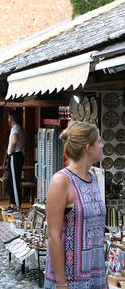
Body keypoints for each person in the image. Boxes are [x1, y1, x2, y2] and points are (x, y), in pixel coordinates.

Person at [44, 121, 106, 289]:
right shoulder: (61, 181)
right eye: (99, 141)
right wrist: (61, 282)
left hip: (95, 276)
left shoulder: (93, 178)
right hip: (70, 281)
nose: (102, 145)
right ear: (88, 147)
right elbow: (53, 235)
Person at [5, 109, 25, 212]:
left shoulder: (16, 128)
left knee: (14, 180)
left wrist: (9, 151)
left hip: (15, 155)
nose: (8, 119)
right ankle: (12, 204)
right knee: (11, 180)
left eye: (9, 117)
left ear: (12, 117)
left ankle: (16, 205)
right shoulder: (17, 127)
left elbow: (14, 140)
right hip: (17, 155)